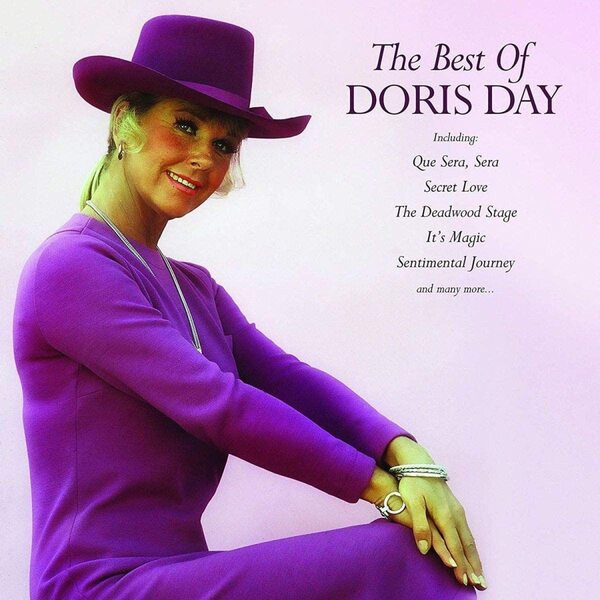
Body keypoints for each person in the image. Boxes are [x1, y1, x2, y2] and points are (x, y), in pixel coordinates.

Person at [12, 15, 485, 599]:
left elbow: (287, 379)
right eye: (185, 126)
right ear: (124, 121)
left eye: (223, 144)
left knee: (417, 549)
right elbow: (218, 404)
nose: (203, 158)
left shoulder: (194, 288)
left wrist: (409, 458)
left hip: (175, 574)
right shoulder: (71, 267)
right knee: (407, 552)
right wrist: (389, 492)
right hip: (96, 586)